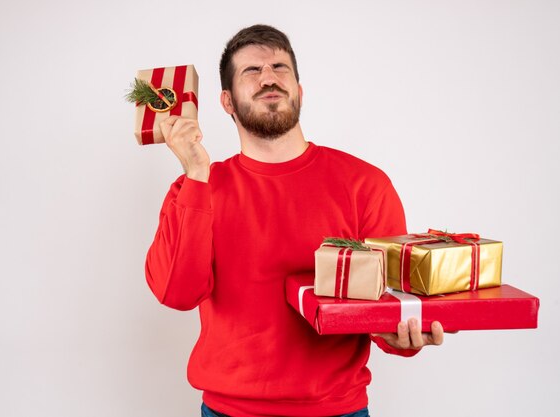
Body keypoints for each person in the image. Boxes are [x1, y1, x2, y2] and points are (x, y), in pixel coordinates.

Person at [145, 24, 444, 417]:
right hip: (228, 411)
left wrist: (400, 335)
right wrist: (197, 175)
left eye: (280, 67)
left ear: (300, 91)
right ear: (227, 102)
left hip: (338, 410)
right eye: (252, 71)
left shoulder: (365, 185)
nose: (269, 77)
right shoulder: (195, 188)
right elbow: (177, 293)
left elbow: (391, 304)